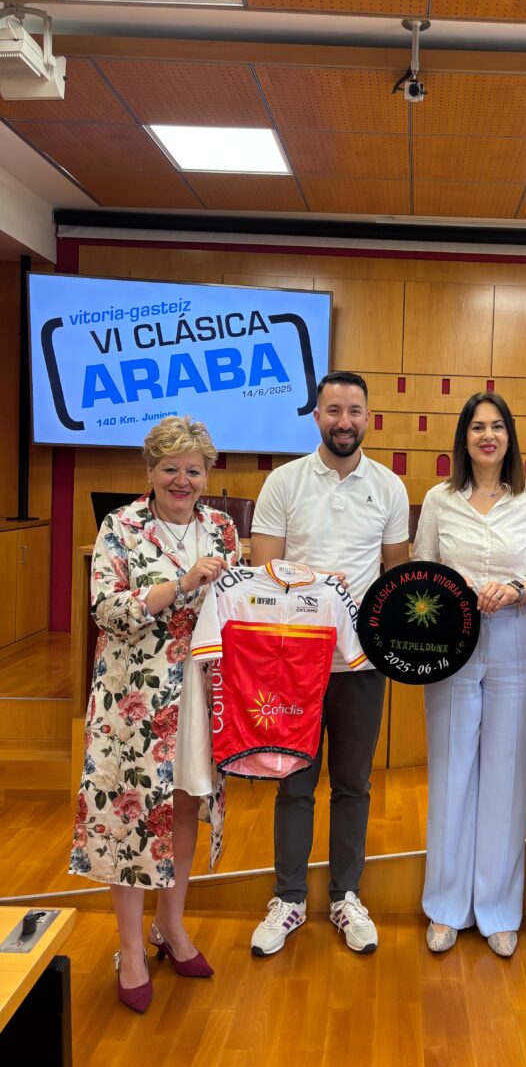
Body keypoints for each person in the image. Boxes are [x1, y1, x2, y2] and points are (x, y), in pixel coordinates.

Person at [70, 416, 240, 1012]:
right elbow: (107, 610)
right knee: (132, 813)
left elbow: (234, 608)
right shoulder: (122, 526)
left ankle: (173, 925)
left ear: (206, 475)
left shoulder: (221, 528)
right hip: (136, 700)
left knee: (188, 803)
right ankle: (132, 948)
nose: (182, 480)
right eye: (170, 468)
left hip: (200, 692)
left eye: (193, 470)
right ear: (149, 471)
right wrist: (179, 583)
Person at [249, 370, 410, 955]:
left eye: (355, 412)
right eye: (333, 410)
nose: (345, 422)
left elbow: (397, 574)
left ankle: (346, 897)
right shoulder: (284, 483)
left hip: (361, 664)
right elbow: (267, 570)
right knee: (292, 782)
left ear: (369, 418)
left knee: (352, 784)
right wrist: (316, 586)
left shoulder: (389, 487)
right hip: (293, 661)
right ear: (316, 415)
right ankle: (288, 899)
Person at [411, 392, 526, 957]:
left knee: (505, 773)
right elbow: (421, 571)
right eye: (477, 427)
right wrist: (457, 593)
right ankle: (445, 908)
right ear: (464, 438)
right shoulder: (440, 500)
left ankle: (497, 909)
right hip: (451, 645)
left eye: (497, 426)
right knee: (450, 770)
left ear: (510, 437)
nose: (487, 436)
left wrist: (517, 589)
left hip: (515, 641)